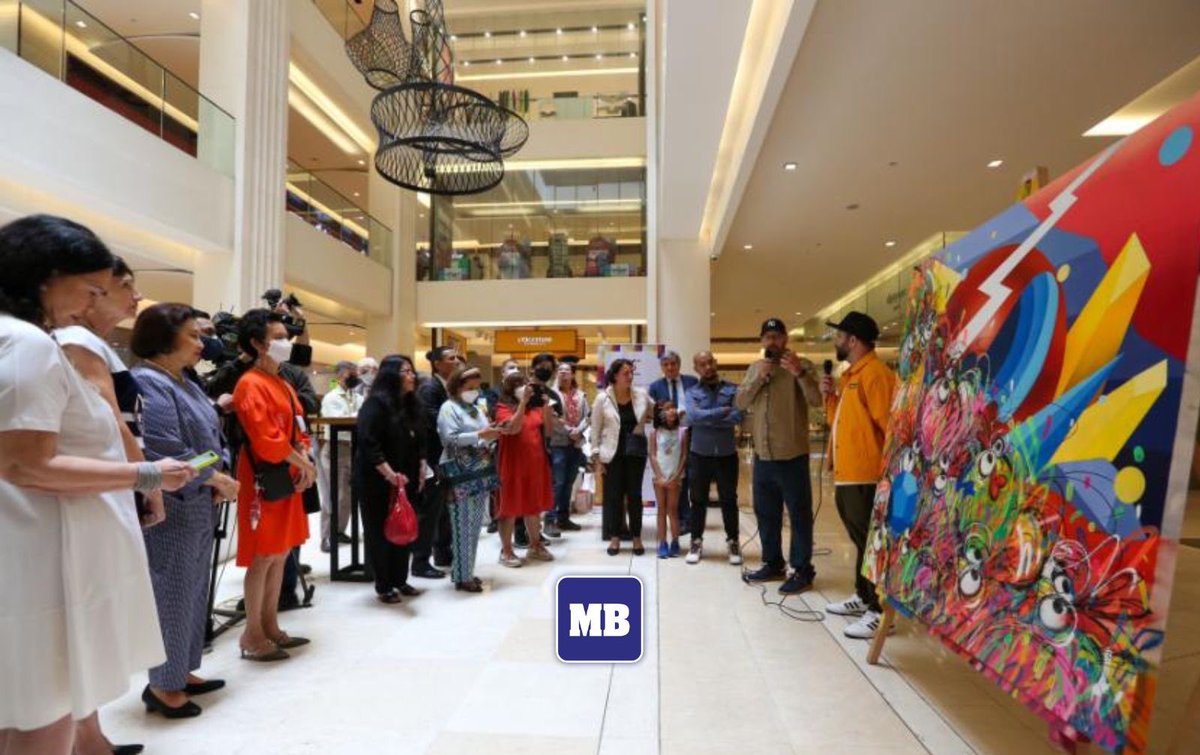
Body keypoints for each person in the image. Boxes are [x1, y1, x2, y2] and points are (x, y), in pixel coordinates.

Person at [0, 214, 196, 755]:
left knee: (31, 715)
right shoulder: (28, 343)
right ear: (46, 277)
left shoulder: (24, 340)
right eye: (88, 288)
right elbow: (25, 464)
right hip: (43, 558)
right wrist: (148, 473)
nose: (89, 302)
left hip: (31, 552)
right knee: (41, 723)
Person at [131, 303, 240, 718]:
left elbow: (215, 433)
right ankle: (162, 684)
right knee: (173, 590)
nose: (202, 343)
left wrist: (219, 471)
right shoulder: (148, 381)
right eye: (193, 335)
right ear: (164, 336)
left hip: (198, 501)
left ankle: (182, 669)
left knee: (195, 589)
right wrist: (214, 477)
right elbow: (164, 448)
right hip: (172, 505)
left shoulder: (185, 382)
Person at [55, 255, 165, 531]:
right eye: (126, 286)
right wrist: (150, 484)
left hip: (118, 477)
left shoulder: (93, 344)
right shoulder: (78, 340)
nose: (138, 295)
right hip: (106, 480)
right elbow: (112, 420)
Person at [231, 309, 316, 662]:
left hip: (288, 475)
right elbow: (267, 439)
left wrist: (304, 457)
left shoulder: (282, 381)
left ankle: (271, 625)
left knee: (280, 554)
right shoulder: (250, 384)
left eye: (286, 336)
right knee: (263, 555)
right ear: (257, 343)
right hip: (264, 478)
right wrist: (302, 462)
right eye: (278, 337)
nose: (286, 342)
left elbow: (299, 426)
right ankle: (252, 633)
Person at [820, 312, 898, 639]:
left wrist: (888, 476)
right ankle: (863, 595)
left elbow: (891, 427)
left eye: (839, 336)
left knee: (871, 543)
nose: (835, 341)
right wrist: (830, 399)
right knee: (861, 539)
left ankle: (879, 611)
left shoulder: (876, 374)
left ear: (852, 340)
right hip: (848, 474)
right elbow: (839, 422)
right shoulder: (851, 375)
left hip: (867, 476)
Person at [735, 318, 822, 594]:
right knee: (766, 513)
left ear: (785, 339)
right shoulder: (755, 368)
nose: (772, 341)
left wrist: (799, 373)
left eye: (777, 336)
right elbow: (740, 402)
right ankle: (773, 563)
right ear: (762, 341)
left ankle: (802, 569)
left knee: (799, 515)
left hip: (792, 456)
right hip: (763, 457)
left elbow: (816, 400)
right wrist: (759, 377)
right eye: (767, 337)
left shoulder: (802, 365)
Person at [356, 355, 427, 604]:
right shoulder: (375, 404)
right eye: (405, 371)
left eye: (411, 371)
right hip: (378, 479)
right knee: (380, 531)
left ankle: (400, 578)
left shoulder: (410, 404)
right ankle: (384, 584)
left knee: (404, 527)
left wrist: (421, 466)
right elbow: (368, 442)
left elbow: (419, 440)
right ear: (391, 376)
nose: (412, 376)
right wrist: (388, 474)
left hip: (404, 479)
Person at [437, 366, 502, 591]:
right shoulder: (449, 408)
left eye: (477, 387)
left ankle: (466, 572)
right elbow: (449, 438)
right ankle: (462, 575)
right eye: (469, 387)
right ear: (457, 386)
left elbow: (483, 435)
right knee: (462, 524)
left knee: (474, 525)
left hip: (480, 472)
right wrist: (479, 435)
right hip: (460, 473)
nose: (474, 392)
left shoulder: (475, 409)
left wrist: (490, 435)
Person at [683, 351, 744, 565]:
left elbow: (738, 416)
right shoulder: (691, 392)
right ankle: (696, 541)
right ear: (696, 368)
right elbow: (692, 416)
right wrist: (721, 413)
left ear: (715, 363)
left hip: (726, 454)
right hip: (700, 454)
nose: (707, 367)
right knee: (698, 500)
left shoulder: (732, 389)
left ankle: (733, 541)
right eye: (702, 364)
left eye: (710, 362)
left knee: (729, 500)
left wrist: (707, 416)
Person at [590, 359, 653, 556]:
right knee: (613, 497)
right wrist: (596, 457)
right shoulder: (602, 398)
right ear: (615, 376)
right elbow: (596, 429)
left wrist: (645, 423)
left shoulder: (641, 394)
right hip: (611, 454)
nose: (630, 376)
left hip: (635, 453)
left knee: (635, 496)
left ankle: (636, 538)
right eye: (625, 373)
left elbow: (654, 412)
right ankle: (615, 538)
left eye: (631, 372)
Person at [493, 372, 556, 566]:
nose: (524, 387)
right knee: (508, 508)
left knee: (534, 506)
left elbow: (548, 431)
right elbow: (513, 428)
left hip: (535, 463)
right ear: (510, 389)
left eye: (526, 383)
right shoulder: (503, 407)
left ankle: (535, 545)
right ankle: (507, 550)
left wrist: (545, 406)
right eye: (519, 384)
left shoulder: (535, 407)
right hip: (512, 463)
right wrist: (522, 403)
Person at [414, 346, 462, 578]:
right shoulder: (429, 388)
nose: (456, 362)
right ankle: (420, 560)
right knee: (430, 510)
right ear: (438, 364)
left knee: (445, 508)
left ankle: (443, 551)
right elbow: (430, 419)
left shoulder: (450, 388)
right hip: (433, 456)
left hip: (447, 455)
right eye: (451, 358)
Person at [649, 351, 698, 528]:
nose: (670, 367)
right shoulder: (655, 387)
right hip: (668, 438)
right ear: (662, 367)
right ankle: (678, 518)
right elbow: (653, 413)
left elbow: (698, 404)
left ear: (679, 364)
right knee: (673, 475)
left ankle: (686, 517)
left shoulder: (692, 382)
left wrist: (687, 413)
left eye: (673, 364)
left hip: (690, 434)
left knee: (689, 476)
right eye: (666, 364)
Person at [319, 360, 363, 552]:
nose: (354, 375)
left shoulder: (357, 396)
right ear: (339, 375)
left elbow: (363, 417)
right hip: (336, 447)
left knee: (348, 496)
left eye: (355, 372)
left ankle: (339, 531)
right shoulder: (331, 397)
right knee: (333, 494)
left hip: (354, 449)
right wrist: (356, 415)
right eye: (349, 372)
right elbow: (339, 421)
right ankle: (326, 536)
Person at [527, 352, 565, 539]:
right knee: (525, 490)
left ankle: (536, 532)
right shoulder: (522, 390)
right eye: (542, 367)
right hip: (524, 447)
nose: (545, 371)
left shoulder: (552, 395)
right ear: (533, 368)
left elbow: (558, 420)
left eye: (549, 369)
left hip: (546, 446)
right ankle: (521, 532)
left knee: (542, 490)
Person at [549, 362, 589, 532]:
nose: (563, 373)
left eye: (567, 371)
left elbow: (588, 416)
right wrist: (568, 431)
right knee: (557, 483)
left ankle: (563, 518)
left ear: (573, 374)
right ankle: (550, 520)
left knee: (569, 483)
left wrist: (578, 431)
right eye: (560, 370)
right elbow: (552, 417)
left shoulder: (581, 395)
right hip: (558, 444)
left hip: (576, 444)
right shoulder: (551, 394)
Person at [649, 401, 687, 559]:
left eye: (673, 408)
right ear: (660, 413)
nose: (671, 411)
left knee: (673, 510)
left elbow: (684, 455)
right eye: (667, 409)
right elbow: (652, 454)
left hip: (675, 478)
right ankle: (662, 543)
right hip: (659, 479)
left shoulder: (682, 432)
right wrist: (659, 476)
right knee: (661, 510)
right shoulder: (654, 433)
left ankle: (675, 542)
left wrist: (676, 476)